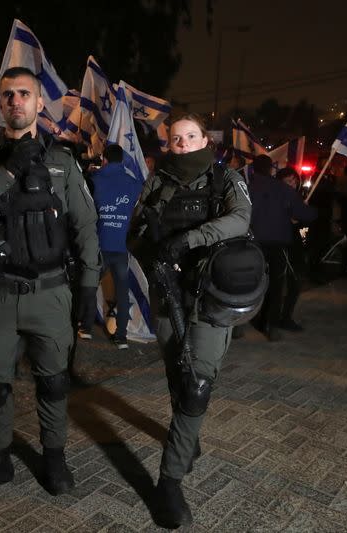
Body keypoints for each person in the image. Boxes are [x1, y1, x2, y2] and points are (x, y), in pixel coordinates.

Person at [0, 67, 100, 501]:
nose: (16, 101)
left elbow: (85, 226)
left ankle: (54, 457)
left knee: (54, 382)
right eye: (8, 94)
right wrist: (8, 171)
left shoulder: (61, 159)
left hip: (50, 294)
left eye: (24, 94)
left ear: (38, 103)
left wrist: (89, 286)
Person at [127, 114, 251, 528]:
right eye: (175, 139)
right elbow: (136, 228)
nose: (181, 144)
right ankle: (187, 438)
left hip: (212, 297)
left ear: (204, 139)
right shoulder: (158, 180)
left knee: (197, 386)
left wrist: (187, 241)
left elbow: (240, 219)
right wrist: (153, 255)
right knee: (177, 375)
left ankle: (169, 481)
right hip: (168, 295)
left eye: (190, 137)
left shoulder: (225, 177)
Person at [248, 157, 317, 341]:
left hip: (251, 244)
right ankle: (270, 325)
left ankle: (245, 320)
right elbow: (306, 214)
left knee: (251, 283)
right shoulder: (283, 190)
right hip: (277, 245)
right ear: (271, 169)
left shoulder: (246, 188)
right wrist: (309, 211)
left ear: (253, 170)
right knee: (275, 285)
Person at [82, 144, 143, 348]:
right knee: (122, 292)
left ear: (104, 159)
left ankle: (86, 328)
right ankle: (121, 337)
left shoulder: (95, 179)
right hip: (120, 246)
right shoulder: (133, 183)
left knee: (90, 287)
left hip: (99, 244)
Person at [276, 166, 316, 331]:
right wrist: (288, 220)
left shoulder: (300, 198)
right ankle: (275, 317)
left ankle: (286, 316)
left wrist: (303, 215)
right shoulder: (276, 198)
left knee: (295, 282)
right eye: (287, 181)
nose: (292, 184)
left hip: (297, 246)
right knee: (278, 283)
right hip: (281, 246)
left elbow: (308, 222)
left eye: (294, 180)